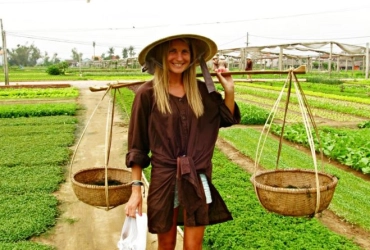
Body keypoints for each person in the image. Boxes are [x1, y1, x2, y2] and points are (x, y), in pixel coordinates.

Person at [124, 33, 241, 250]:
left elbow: (225, 118)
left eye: (184, 51)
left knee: (193, 246)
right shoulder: (147, 94)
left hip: (198, 175)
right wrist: (135, 190)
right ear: (161, 55)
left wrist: (229, 90)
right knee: (166, 244)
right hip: (165, 178)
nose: (179, 57)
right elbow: (137, 147)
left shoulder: (201, 91)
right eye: (173, 51)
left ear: (192, 57)